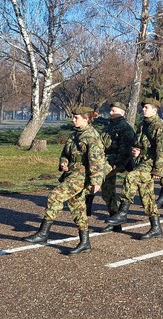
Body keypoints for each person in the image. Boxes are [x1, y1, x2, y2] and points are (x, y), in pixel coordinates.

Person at [24, 107, 105, 255]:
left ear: (86, 119)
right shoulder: (74, 135)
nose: (73, 120)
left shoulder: (91, 136)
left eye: (76, 118)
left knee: (55, 196)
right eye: (73, 117)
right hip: (72, 174)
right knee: (77, 207)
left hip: (82, 175)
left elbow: (98, 161)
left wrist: (96, 181)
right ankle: (85, 242)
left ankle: (43, 234)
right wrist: (64, 162)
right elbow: (65, 153)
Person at [106, 98, 163, 240]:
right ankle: (156, 228)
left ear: (155, 110)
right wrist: (137, 151)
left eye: (146, 107)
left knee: (131, 177)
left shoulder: (160, 127)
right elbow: (140, 144)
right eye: (143, 107)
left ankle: (123, 212)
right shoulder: (143, 125)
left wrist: (158, 171)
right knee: (146, 195)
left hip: (152, 164)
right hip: (143, 162)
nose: (143, 109)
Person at [99, 102, 135, 233]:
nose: (111, 113)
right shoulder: (108, 126)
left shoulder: (125, 128)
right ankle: (115, 221)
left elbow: (125, 150)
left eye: (114, 111)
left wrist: (116, 165)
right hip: (106, 160)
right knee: (107, 192)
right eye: (111, 110)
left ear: (122, 112)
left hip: (117, 162)